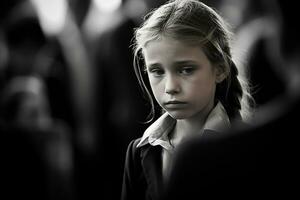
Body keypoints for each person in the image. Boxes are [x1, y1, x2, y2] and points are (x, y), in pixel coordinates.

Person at [121, 0, 253, 199]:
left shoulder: (248, 150)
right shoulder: (139, 153)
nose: (170, 87)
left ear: (220, 69)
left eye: (186, 70)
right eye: (157, 71)